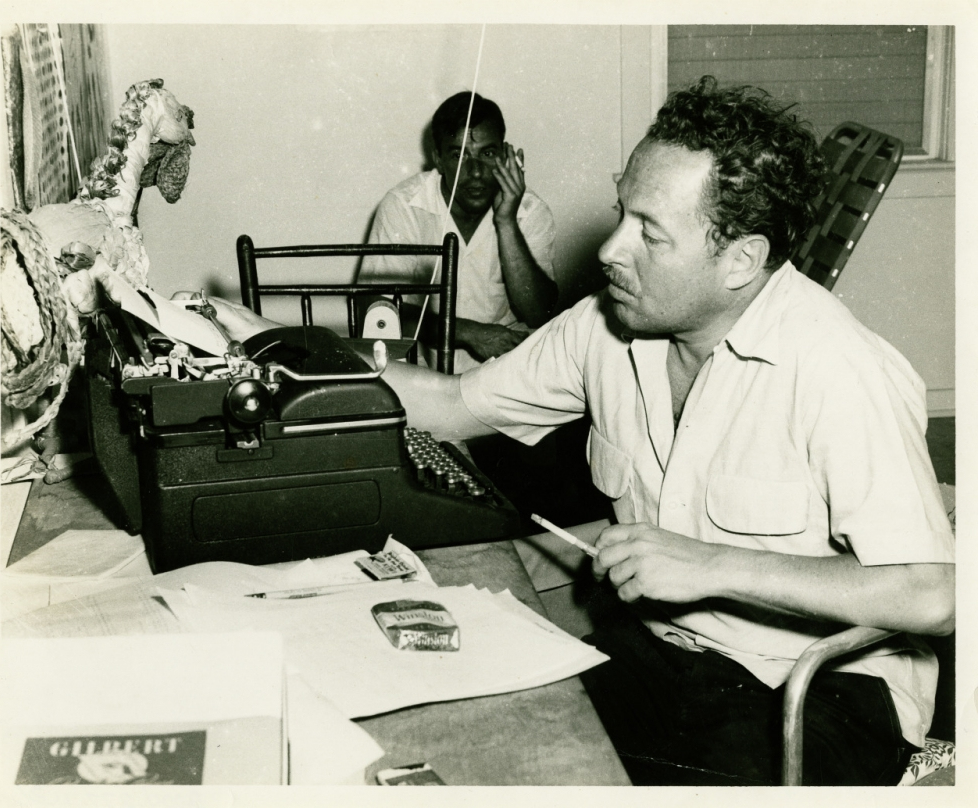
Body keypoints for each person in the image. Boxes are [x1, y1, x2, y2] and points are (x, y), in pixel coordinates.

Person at [205, 76, 954, 786]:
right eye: (620, 212)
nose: (608, 249)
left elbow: (934, 596)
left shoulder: (837, 367)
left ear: (741, 260)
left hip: (819, 691)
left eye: (648, 233)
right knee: (486, 742)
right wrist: (272, 346)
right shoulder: (610, 325)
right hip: (670, 656)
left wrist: (714, 565)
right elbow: (452, 403)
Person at [357, 91, 557, 372]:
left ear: (505, 154)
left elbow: (539, 313)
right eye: (459, 155)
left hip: (508, 375)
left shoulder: (530, 211)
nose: (475, 172)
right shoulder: (405, 205)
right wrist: (470, 333)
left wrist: (506, 221)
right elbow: (374, 311)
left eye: (487, 153)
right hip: (426, 373)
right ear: (438, 159)